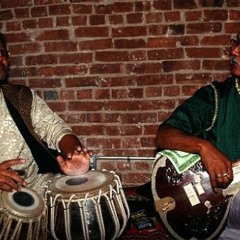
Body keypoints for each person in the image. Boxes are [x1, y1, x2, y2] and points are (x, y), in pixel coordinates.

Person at [155, 32, 240, 239]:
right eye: (236, 43)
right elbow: (165, 135)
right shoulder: (216, 97)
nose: (234, 51)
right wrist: (205, 148)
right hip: (223, 207)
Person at [0, 32, 92, 195]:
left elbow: (56, 130)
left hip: (34, 195)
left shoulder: (19, 97)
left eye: (1, 53)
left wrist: (73, 154)